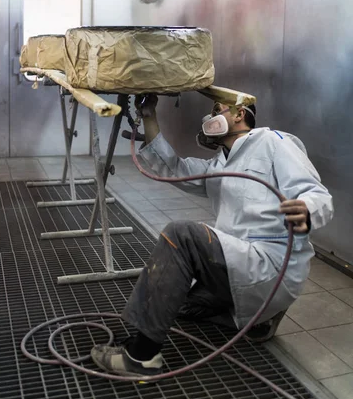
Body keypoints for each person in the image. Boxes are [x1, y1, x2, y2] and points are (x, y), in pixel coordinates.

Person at [91, 96, 333, 378]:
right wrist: (149, 116)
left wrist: (307, 211)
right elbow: (174, 168)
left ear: (240, 113)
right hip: (239, 263)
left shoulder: (273, 142)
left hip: (270, 263)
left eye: (217, 110)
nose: (210, 117)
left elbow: (318, 195)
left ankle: (140, 357)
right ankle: (258, 320)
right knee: (173, 302)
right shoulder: (219, 164)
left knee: (181, 235)